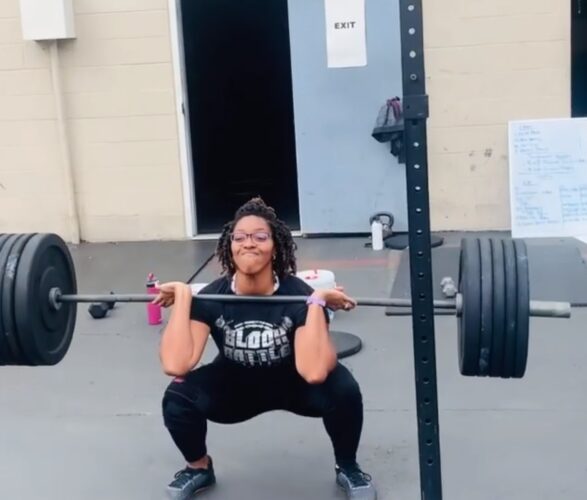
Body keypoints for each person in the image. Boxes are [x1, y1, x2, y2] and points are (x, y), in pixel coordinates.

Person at [155, 197, 377, 500]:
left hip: (294, 384)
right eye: (240, 237)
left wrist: (317, 301)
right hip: (235, 386)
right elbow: (176, 363)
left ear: (276, 247)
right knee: (178, 397)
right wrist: (183, 295)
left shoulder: (298, 295)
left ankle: (348, 467)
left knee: (343, 389)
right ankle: (198, 469)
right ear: (229, 246)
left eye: (260, 237)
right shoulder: (213, 295)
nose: (249, 243)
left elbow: (313, 371)